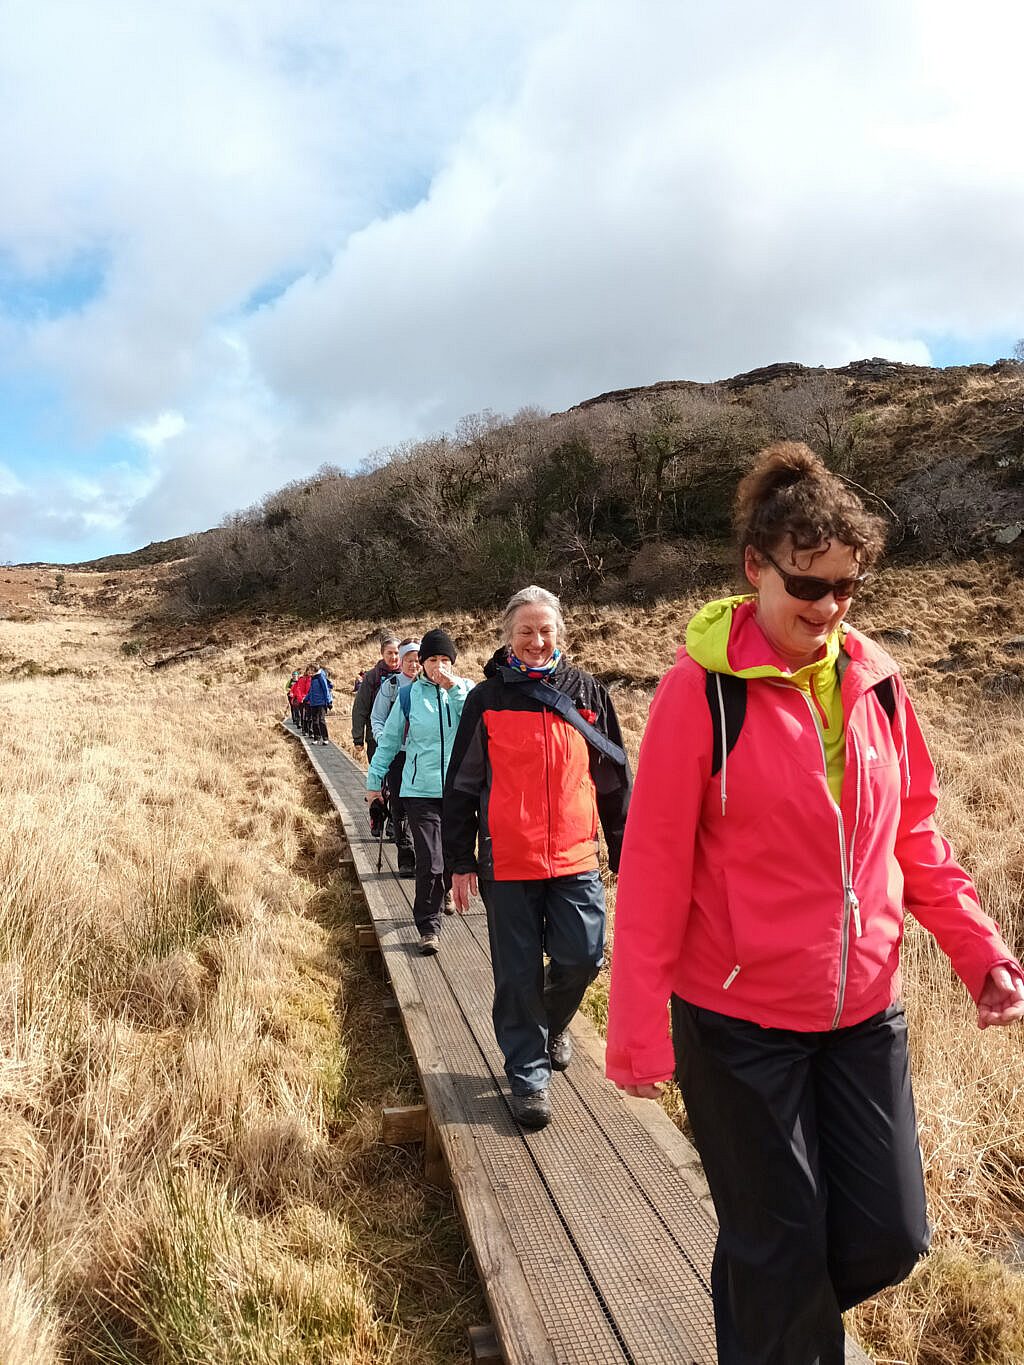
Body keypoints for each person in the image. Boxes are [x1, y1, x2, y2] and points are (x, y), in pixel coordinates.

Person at [604, 442, 1024, 1365]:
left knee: (890, 1234)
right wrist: (638, 1032)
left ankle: (769, 1301)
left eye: (846, 587)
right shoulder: (699, 695)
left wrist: (980, 951)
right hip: (737, 1020)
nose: (828, 608)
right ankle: (776, 1310)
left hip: (865, 1008)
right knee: (780, 1244)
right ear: (755, 566)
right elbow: (655, 870)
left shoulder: (876, 681)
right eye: (809, 583)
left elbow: (915, 836)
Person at [443, 585, 632, 1130]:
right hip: (509, 861)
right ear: (507, 637)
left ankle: (550, 1023)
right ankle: (528, 1073)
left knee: (584, 957)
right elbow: (462, 785)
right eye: (524, 631)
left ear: (560, 634)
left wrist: (625, 853)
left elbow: (614, 778)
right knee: (517, 972)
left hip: (576, 857)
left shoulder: (589, 693)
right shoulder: (486, 699)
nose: (535, 639)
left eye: (544, 629)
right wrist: (460, 860)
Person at [367, 629, 472, 955]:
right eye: (432, 660)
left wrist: (452, 689)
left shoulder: (465, 690)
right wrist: (374, 783)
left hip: (458, 791)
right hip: (419, 791)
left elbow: (473, 724)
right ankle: (428, 926)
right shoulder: (409, 697)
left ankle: (442, 895)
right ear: (421, 663)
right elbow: (389, 740)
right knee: (430, 858)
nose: (439, 666)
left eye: (445, 660)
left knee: (453, 857)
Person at [370, 638, 421, 877]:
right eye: (409, 660)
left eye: (418, 660)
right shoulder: (390, 686)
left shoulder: (433, 686)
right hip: (397, 755)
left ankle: (426, 854)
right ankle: (406, 857)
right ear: (401, 661)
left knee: (421, 807)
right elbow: (377, 718)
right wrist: (383, 739)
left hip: (423, 755)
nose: (414, 665)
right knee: (400, 806)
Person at [352, 635, 400, 760]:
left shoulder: (409, 675)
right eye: (389, 653)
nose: (393, 657)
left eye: (396, 653)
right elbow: (360, 707)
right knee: (378, 776)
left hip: (402, 738)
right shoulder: (372, 676)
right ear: (382, 653)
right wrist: (358, 738)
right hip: (375, 736)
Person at [305, 662, 334, 745]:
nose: (309, 672)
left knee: (321, 720)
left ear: (314, 669)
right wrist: (306, 699)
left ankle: (325, 738)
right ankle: (316, 738)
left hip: (321, 702)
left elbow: (326, 689)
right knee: (315, 721)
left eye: (310, 670)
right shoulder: (313, 678)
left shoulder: (321, 676)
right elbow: (311, 690)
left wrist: (329, 701)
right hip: (313, 703)